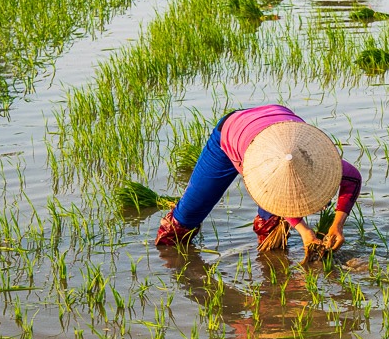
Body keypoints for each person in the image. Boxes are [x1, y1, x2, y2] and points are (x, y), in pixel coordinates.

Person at [154, 105, 362, 251]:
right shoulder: (263, 172)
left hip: (283, 130)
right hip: (229, 133)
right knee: (186, 217)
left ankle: (273, 275)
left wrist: (337, 225)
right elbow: (271, 196)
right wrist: (304, 231)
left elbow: (352, 179)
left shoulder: (317, 159)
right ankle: (168, 263)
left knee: (270, 224)